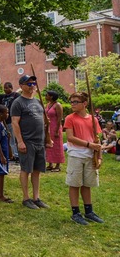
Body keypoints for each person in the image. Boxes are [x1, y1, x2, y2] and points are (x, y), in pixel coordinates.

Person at [64, 92, 104, 225]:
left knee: (87, 185)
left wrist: (99, 156)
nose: (72, 104)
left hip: (89, 156)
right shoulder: (70, 118)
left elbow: (97, 140)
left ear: (85, 103)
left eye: (76, 102)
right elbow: (70, 137)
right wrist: (88, 144)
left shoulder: (93, 119)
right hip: (76, 155)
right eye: (72, 102)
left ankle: (89, 211)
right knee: (75, 184)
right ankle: (75, 213)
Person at [11, 75, 49, 209]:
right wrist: (20, 142)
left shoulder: (38, 102)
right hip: (27, 141)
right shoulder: (18, 102)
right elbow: (15, 123)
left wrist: (47, 139)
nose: (32, 85)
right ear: (21, 86)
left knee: (37, 170)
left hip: (40, 142)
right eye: (29, 83)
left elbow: (44, 122)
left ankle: (36, 197)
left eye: (33, 83)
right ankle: (26, 198)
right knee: (26, 169)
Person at [0, 105, 12, 203]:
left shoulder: (1, 124)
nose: (7, 114)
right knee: (1, 174)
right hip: (0, 153)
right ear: (1, 114)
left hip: (4, 151)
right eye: (6, 112)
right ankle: (0, 195)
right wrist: (1, 155)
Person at [45, 91, 64, 172]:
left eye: (47, 95)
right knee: (49, 144)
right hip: (48, 127)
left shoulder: (58, 105)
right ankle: (50, 163)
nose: (45, 96)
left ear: (51, 96)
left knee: (57, 145)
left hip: (55, 127)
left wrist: (56, 130)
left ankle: (58, 165)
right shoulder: (48, 104)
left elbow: (60, 118)